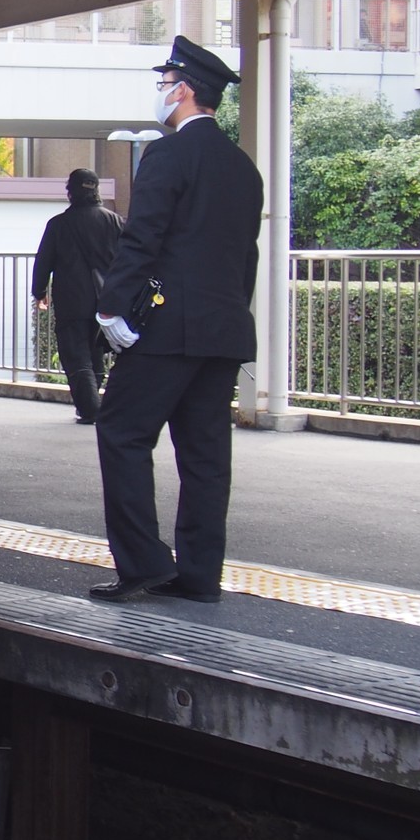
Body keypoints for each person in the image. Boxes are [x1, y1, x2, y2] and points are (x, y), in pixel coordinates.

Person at [88, 36, 263, 605]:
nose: (161, 92)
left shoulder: (166, 155)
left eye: (165, 84)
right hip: (224, 329)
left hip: (166, 331)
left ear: (184, 91)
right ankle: (199, 575)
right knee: (206, 455)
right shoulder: (243, 167)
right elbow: (247, 255)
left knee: (122, 432)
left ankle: (142, 564)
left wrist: (111, 305)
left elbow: (143, 237)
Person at [30, 168, 124, 423]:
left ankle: (91, 409)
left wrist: (39, 292)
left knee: (76, 355)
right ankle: (92, 404)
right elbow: (129, 260)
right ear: (96, 191)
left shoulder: (59, 224)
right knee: (96, 354)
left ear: (70, 192)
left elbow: (44, 261)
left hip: (72, 299)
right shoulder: (114, 222)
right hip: (108, 300)